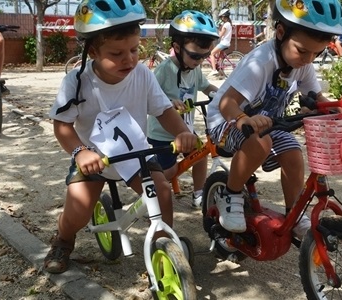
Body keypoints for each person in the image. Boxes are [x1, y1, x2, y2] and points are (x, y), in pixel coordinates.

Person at [45, 0, 196, 274]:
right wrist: (80, 152)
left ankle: (164, 245)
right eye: (116, 53)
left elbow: (163, 111)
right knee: (77, 210)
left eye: (134, 49)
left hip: (135, 153)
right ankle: (64, 239)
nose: (129, 59)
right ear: (92, 51)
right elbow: (62, 125)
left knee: (162, 191)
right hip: (95, 157)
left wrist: (183, 132)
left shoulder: (142, 75)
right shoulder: (77, 83)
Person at [205, 0, 342, 238]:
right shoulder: (260, 62)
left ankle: (294, 214)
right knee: (261, 142)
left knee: (293, 152)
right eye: (302, 50)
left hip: (267, 124)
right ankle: (231, 193)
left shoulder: (302, 64)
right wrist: (242, 119)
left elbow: (316, 97)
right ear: (280, 33)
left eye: (317, 53)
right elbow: (226, 102)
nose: (308, 59)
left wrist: (335, 109)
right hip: (226, 121)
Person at [147, 11, 219, 209]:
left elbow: (206, 87)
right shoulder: (165, 69)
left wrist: (222, 95)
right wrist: (168, 102)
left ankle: (199, 193)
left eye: (205, 56)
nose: (200, 61)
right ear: (177, 48)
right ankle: (152, 195)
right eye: (196, 56)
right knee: (168, 173)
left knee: (200, 154)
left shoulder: (195, 69)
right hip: (161, 132)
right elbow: (149, 95)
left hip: (185, 128)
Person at [208, 8, 232, 76]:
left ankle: (214, 70)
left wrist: (217, 30)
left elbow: (220, 35)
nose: (221, 18)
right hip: (226, 43)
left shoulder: (226, 24)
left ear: (224, 16)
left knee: (211, 54)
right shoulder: (229, 24)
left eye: (221, 17)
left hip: (224, 43)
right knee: (220, 57)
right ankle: (220, 71)